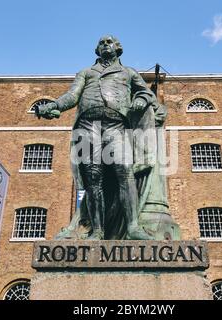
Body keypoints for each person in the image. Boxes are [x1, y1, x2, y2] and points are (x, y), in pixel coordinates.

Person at [36, 35, 155, 240]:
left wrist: (141, 100)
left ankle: (133, 227)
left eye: (110, 42)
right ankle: (97, 230)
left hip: (116, 124)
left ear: (118, 48)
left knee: (124, 170)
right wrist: (54, 105)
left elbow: (146, 93)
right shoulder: (86, 72)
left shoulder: (128, 73)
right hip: (87, 125)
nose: (105, 44)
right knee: (93, 177)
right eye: (102, 43)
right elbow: (72, 96)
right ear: (97, 50)